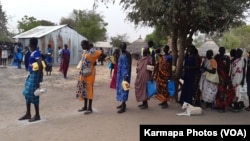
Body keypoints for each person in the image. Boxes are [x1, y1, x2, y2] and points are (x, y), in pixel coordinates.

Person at [19, 37, 45, 122]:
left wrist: (38, 80)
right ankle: (28, 114)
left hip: (35, 75)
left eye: (29, 43)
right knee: (27, 93)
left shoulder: (36, 53)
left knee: (34, 94)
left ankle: (37, 115)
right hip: (31, 75)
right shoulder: (33, 52)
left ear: (31, 44)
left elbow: (40, 65)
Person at [76, 40, 102, 114]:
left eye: (82, 45)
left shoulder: (92, 51)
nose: (82, 46)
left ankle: (89, 108)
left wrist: (94, 63)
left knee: (89, 89)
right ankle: (85, 106)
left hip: (90, 73)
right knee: (84, 88)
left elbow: (100, 53)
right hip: (83, 73)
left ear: (86, 44)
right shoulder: (86, 51)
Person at [214, 47, 232, 112]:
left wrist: (225, 76)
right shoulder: (216, 57)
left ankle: (223, 107)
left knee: (223, 91)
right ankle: (218, 105)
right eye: (221, 50)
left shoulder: (227, 58)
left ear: (224, 51)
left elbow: (228, 67)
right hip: (217, 76)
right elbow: (215, 67)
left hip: (224, 77)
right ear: (219, 51)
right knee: (218, 91)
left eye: (223, 50)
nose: (222, 51)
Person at [116, 42, 132, 113]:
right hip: (120, 74)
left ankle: (124, 106)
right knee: (120, 88)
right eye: (121, 46)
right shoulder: (121, 54)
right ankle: (122, 103)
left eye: (124, 46)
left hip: (125, 74)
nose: (123, 48)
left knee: (125, 89)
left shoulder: (127, 54)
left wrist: (127, 74)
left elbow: (129, 65)